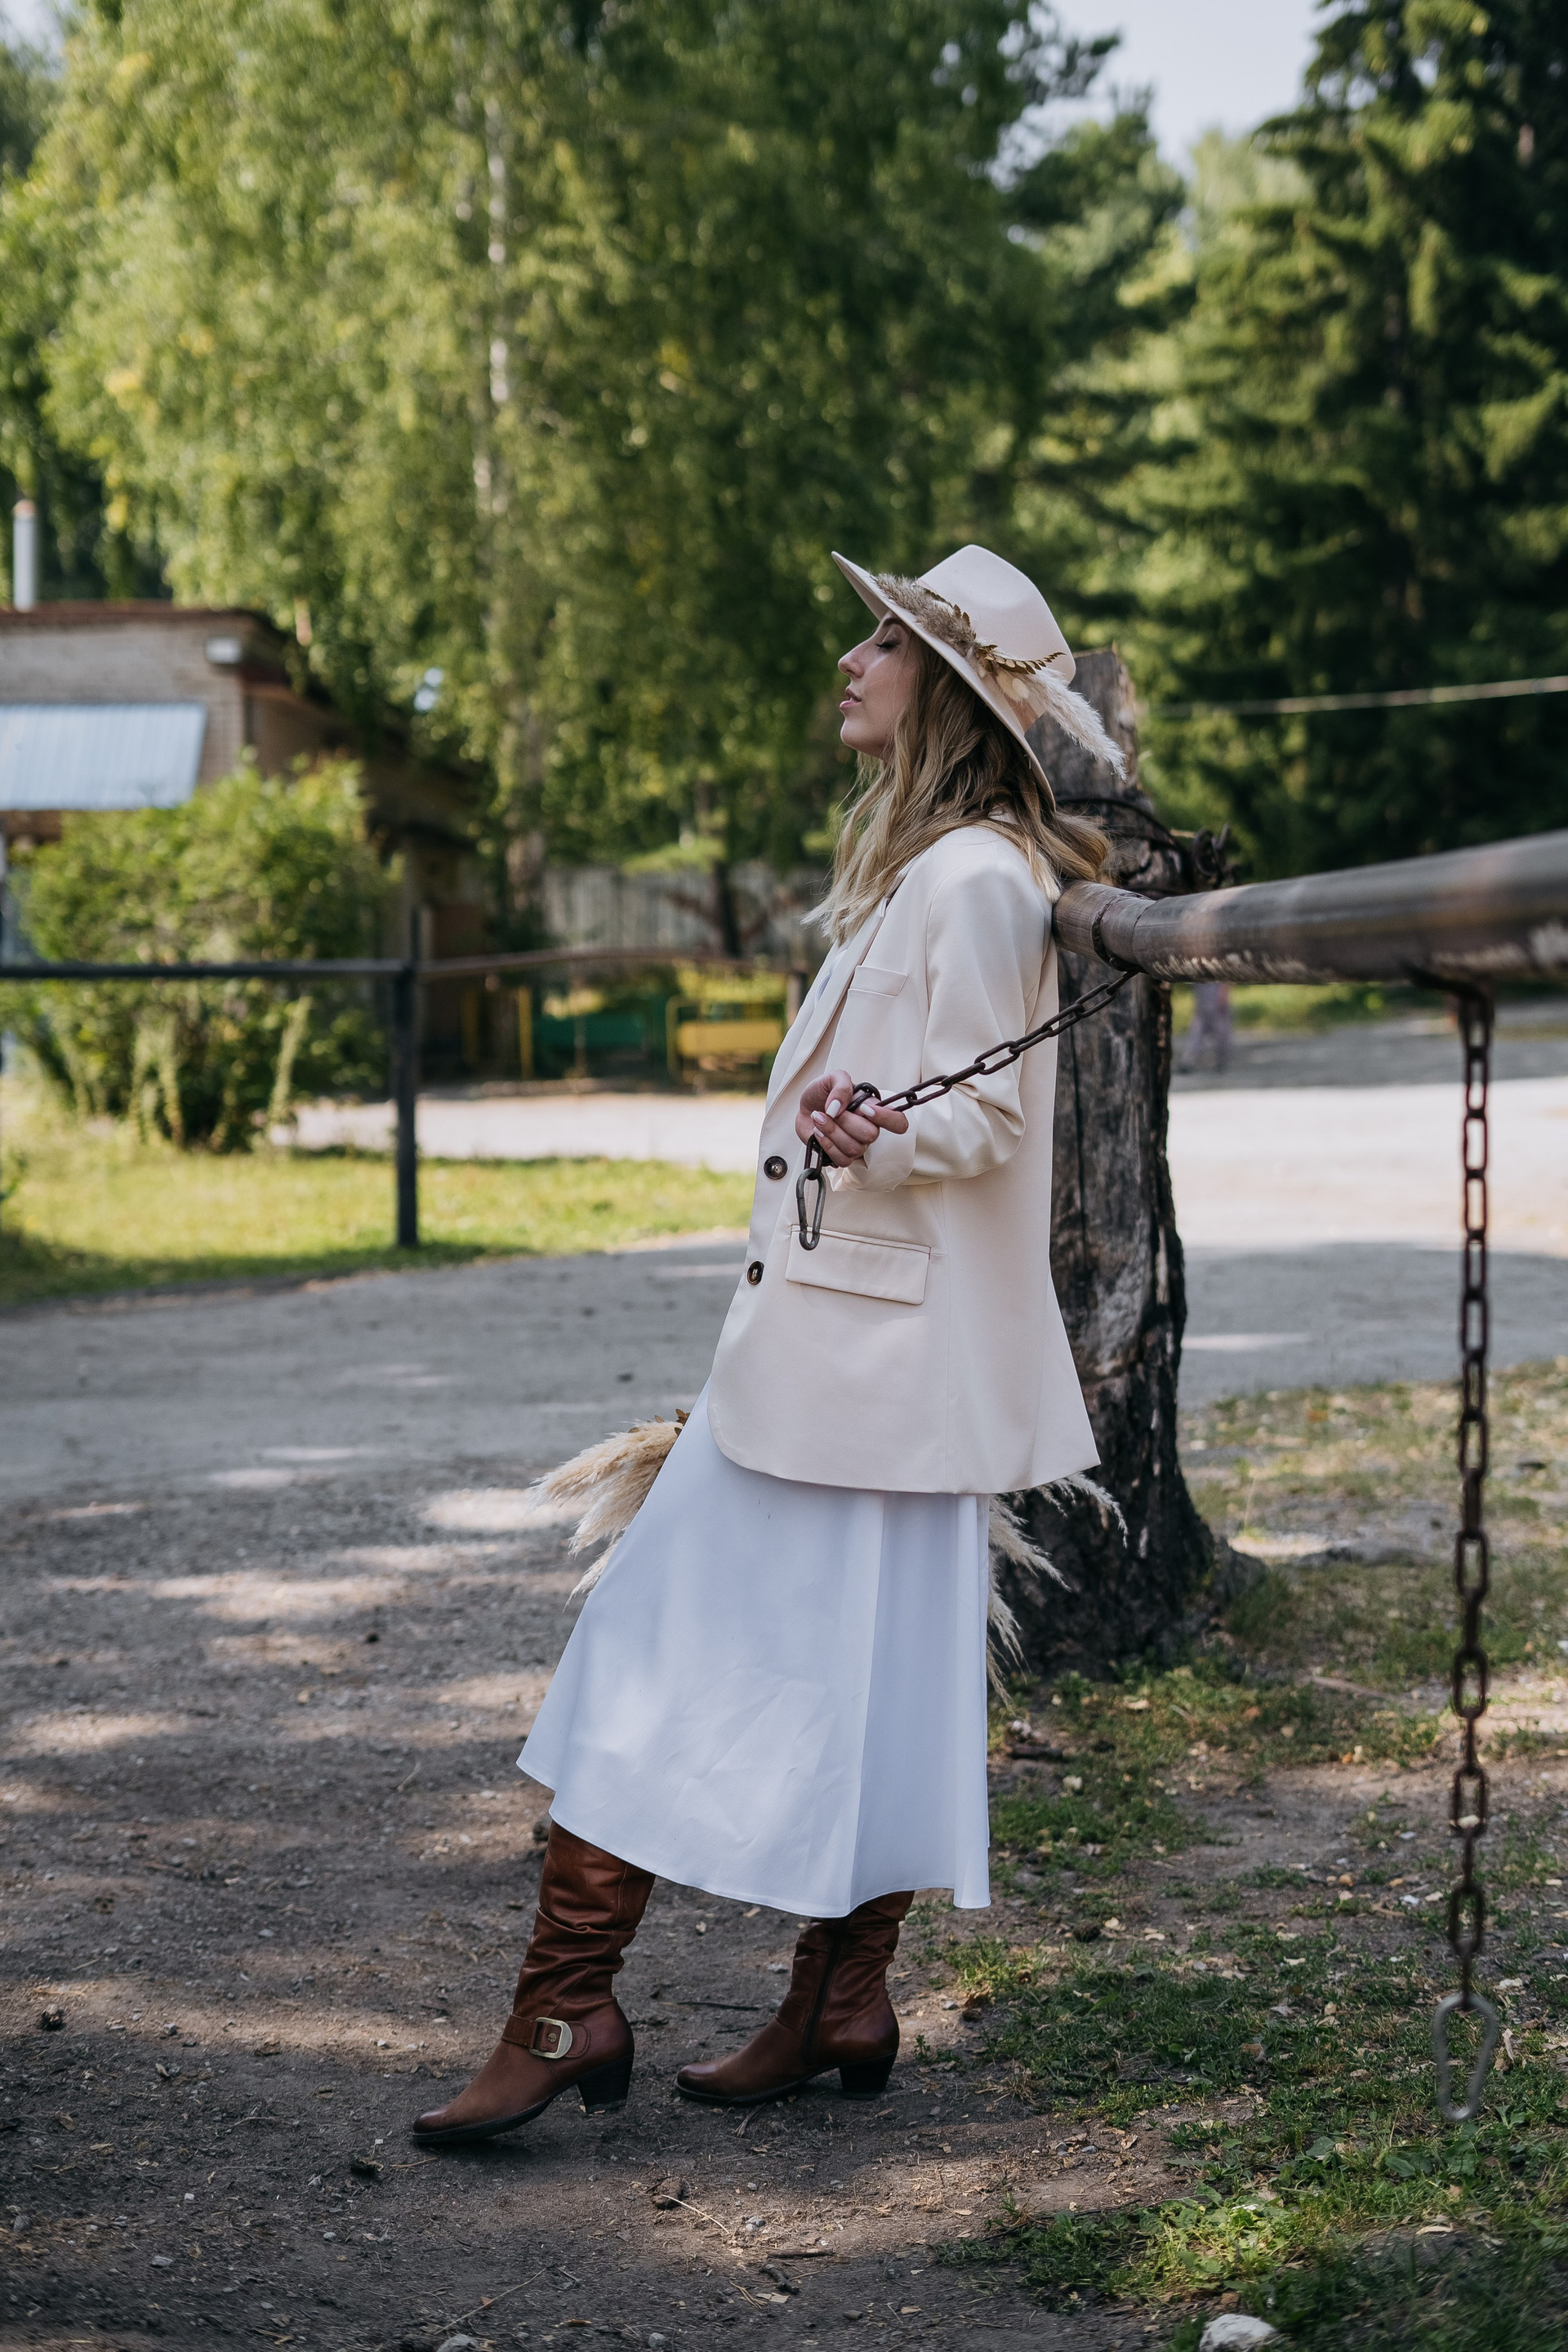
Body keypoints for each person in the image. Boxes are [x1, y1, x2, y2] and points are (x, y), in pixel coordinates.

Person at [411, 544, 1117, 2148]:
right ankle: (836, 2001)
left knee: (645, 1644)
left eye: (888, 642)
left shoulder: (973, 878)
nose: (853, 660)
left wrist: (876, 1135)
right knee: (884, 1685)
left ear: (952, 694)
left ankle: (571, 2008)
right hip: (866, 1362)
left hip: (866, 1370)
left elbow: (988, 1116)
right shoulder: (937, 869)